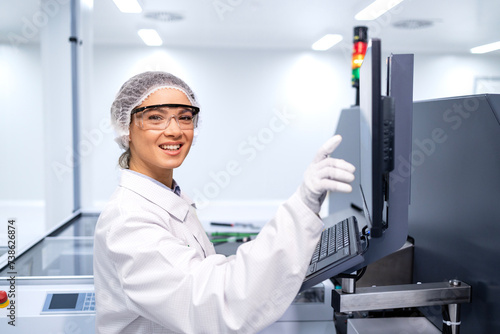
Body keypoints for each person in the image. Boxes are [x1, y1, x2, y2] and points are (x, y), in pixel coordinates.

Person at [93, 71, 356, 334]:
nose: (174, 130)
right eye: (155, 117)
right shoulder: (128, 219)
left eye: (185, 117)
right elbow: (214, 304)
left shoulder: (170, 198)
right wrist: (303, 204)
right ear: (126, 127)